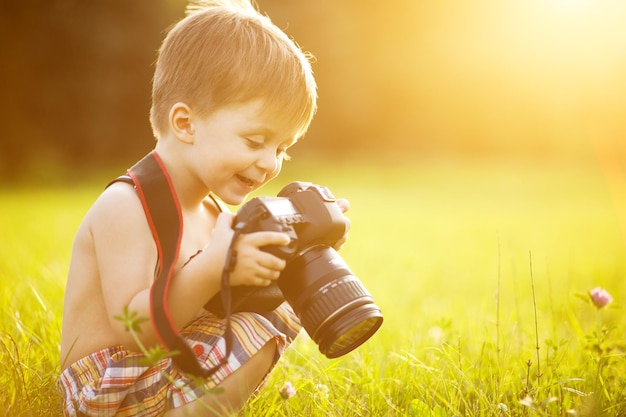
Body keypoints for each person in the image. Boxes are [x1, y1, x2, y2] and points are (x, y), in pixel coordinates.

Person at [57, 0, 350, 415]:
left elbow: (208, 310)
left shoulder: (215, 216)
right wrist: (215, 266)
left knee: (279, 306)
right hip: (107, 387)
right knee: (256, 327)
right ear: (185, 124)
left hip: (161, 367)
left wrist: (297, 253)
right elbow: (134, 333)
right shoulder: (126, 206)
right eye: (255, 141)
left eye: (282, 148)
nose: (270, 162)